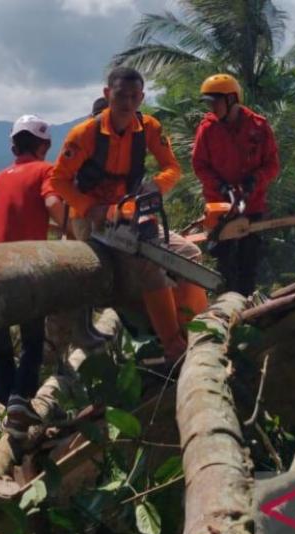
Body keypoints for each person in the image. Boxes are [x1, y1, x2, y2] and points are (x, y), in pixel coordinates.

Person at [50, 67, 208, 364]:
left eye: (134, 96)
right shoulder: (85, 134)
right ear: (108, 94)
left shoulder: (148, 128)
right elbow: (58, 181)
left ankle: (197, 328)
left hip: (129, 213)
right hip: (93, 219)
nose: (127, 102)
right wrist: (89, 207)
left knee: (187, 252)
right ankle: (172, 345)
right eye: (121, 95)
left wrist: (153, 188)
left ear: (142, 97)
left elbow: (172, 167)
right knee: (148, 262)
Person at [0, 114, 65, 438]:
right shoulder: (45, 170)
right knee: (32, 340)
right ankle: (20, 401)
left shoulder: (0, 177)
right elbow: (50, 202)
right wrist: (71, 227)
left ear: (14, 145)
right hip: (25, 265)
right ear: (43, 145)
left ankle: (6, 404)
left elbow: (18, 215)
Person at [192, 73, 280, 296]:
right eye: (209, 103)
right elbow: (200, 165)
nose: (212, 108)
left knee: (248, 263)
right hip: (219, 208)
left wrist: (254, 180)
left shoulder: (259, 126)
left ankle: (247, 308)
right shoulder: (208, 128)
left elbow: (272, 165)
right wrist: (220, 186)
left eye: (215, 102)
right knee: (223, 264)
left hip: (252, 206)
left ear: (231, 99)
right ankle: (224, 307)